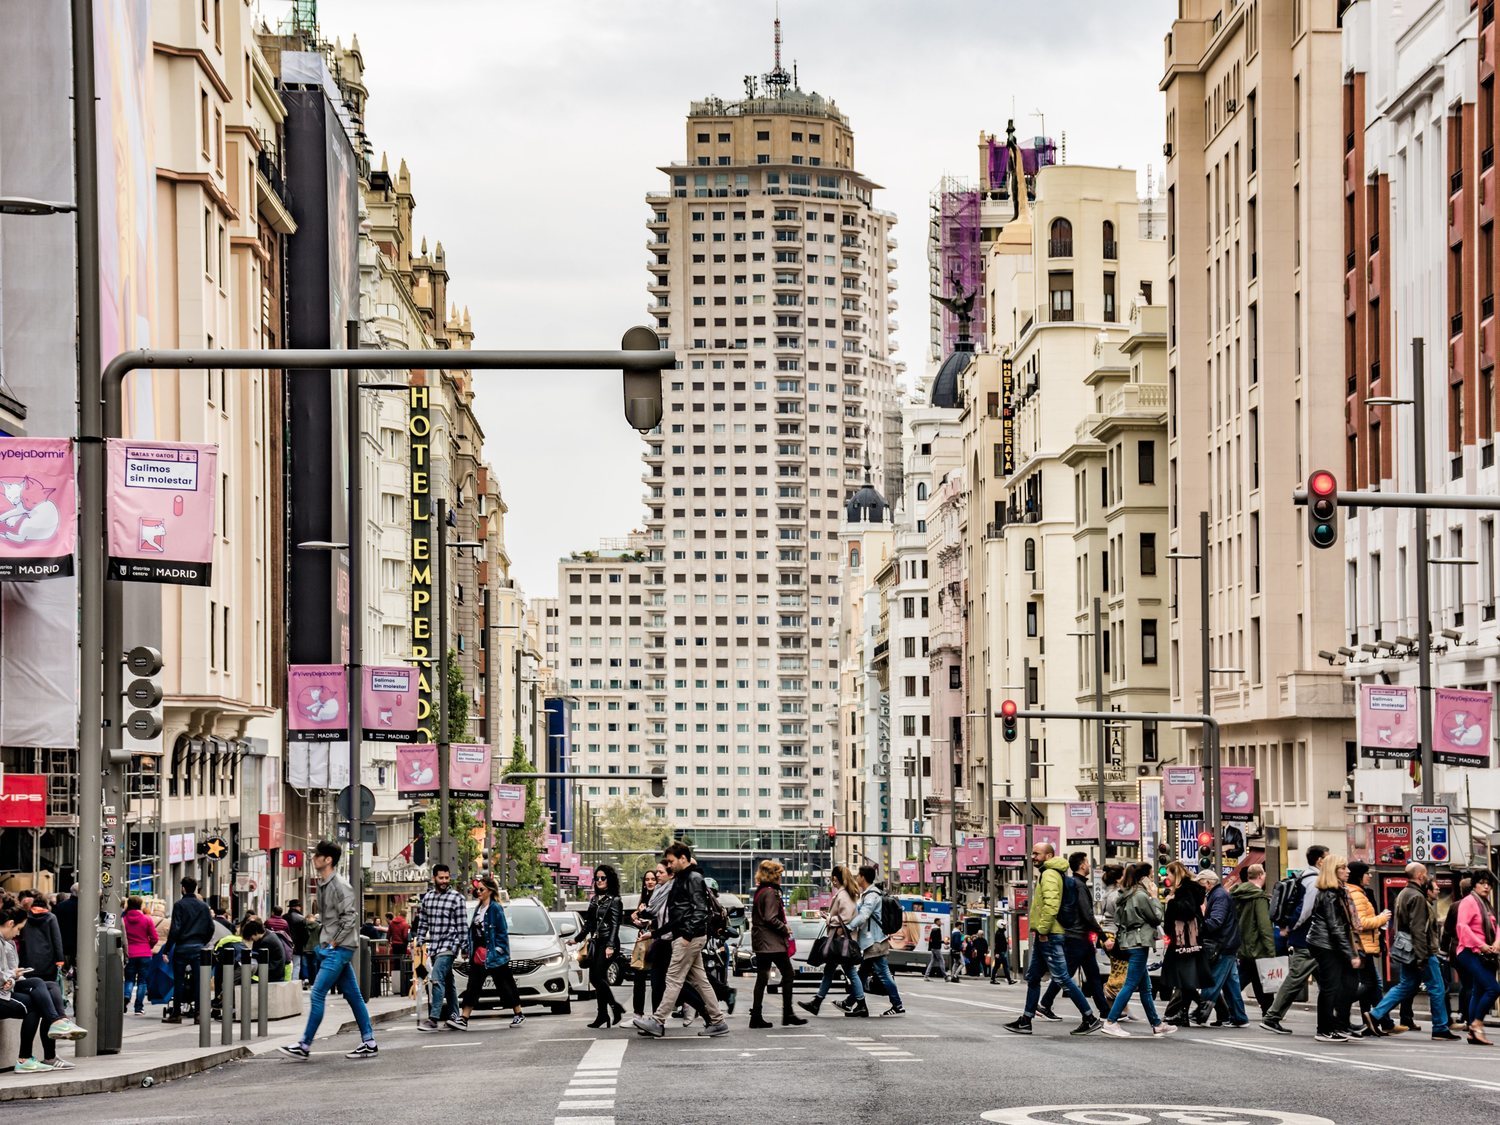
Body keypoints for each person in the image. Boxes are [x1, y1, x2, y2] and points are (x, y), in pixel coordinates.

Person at [277, 840, 378, 1061]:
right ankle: (369, 1041)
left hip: (338, 949)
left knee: (317, 993)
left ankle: (304, 1044)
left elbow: (350, 918)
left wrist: (333, 943)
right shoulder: (325, 883)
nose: (313, 859)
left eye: (317, 855)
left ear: (328, 859)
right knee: (353, 995)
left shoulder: (339, 885)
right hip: (335, 948)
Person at [1004, 843, 1102, 1036]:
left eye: (1037, 854)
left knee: (1062, 977)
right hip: (1047, 933)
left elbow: (1051, 904)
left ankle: (1089, 1018)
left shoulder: (1049, 874)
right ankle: (1026, 1019)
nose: (1033, 857)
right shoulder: (1052, 872)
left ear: (1048, 855)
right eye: (1032, 853)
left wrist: (1042, 929)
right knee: (1033, 977)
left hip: (1049, 934)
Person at [633, 842, 729, 1038]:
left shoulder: (693, 878)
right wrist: (656, 933)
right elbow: (677, 916)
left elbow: (700, 910)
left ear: (683, 858)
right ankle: (718, 1021)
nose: (669, 865)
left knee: (673, 979)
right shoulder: (683, 878)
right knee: (701, 981)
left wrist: (686, 935)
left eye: (671, 861)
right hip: (687, 935)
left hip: (688, 937)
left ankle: (658, 1021)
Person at [1368, 861, 1460, 1041]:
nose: (1427, 876)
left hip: (1407, 951)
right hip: (1421, 951)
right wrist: (1422, 957)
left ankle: (1374, 1015)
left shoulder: (1404, 893)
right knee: (1437, 987)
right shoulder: (1417, 897)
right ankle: (1440, 1028)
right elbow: (1418, 929)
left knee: (1406, 985)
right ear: (1420, 876)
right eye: (1425, 873)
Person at [0, 905, 80, 1072]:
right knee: (35, 1001)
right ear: (10, 923)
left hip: (9, 984)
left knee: (49, 986)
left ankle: (59, 1024)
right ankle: (27, 1056)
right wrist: (11, 976)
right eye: (19, 928)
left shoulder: (7, 942)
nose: (19, 933)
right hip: (4, 989)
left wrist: (13, 976)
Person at [1100, 863, 1174, 1038]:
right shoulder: (1140, 895)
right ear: (1144, 877)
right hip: (1139, 942)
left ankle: (1157, 1024)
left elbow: (1118, 918)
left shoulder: (1124, 893)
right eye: (1151, 874)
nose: (1153, 879)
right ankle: (1111, 1021)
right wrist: (1155, 897)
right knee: (1130, 984)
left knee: (1146, 987)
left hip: (1128, 941)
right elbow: (1156, 918)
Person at [1260, 846, 1328, 1034]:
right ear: (1320, 861)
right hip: (1306, 939)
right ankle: (1272, 1017)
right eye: (1327, 857)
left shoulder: (1303, 876)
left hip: (1308, 939)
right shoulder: (1313, 881)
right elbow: (1305, 911)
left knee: (1328, 982)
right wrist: (1290, 927)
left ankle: (1337, 1019)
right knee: (1295, 979)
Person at [1039, 853, 1110, 1020]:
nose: (1089, 865)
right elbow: (1087, 914)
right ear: (1082, 865)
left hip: (1079, 937)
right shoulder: (1078, 885)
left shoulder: (1074, 883)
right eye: (1086, 861)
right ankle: (1044, 1004)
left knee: (1092, 975)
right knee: (1067, 975)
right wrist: (1103, 936)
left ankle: (1105, 1011)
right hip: (1077, 937)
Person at [1305, 854, 1362, 1042]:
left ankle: (1339, 1024)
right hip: (1325, 944)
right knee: (1330, 987)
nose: (1348, 871)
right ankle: (1324, 1029)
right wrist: (1351, 953)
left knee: (1347, 984)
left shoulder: (1339, 890)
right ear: (1333, 871)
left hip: (1329, 943)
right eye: (1343, 868)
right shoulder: (1330, 893)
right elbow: (1335, 927)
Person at [799, 864, 867, 1018]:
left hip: (841, 942)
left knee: (850, 971)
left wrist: (829, 918)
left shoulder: (844, 895)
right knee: (830, 971)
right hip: (839, 941)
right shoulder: (845, 894)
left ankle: (861, 1004)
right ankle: (817, 1002)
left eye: (832, 879)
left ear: (835, 879)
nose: (832, 882)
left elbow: (847, 917)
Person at [458, 875, 525, 1030]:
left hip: (494, 954)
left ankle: (519, 1014)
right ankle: (464, 1018)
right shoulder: (478, 908)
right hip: (478, 953)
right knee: (473, 986)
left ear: (490, 890)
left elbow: (502, 931)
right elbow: (473, 933)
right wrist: (467, 950)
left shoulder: (495, 908)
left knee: (505, 984)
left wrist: (498, 950)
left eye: (482, 889)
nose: (478, 892)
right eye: (477, 889)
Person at [746, 859, 805, 1029]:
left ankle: (756, 1015)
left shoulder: (761, 891)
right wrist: (784, 928)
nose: (781, 878)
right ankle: (788, 1013)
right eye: (779, 874)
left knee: (762, 978)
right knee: (788, 974)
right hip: (771, 942)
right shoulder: (771, 892)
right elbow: (770, 917)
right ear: (773, 875)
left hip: (762, 941)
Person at [847, 864, 906, 1017]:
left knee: (884, 974)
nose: (856, 878)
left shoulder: (872, 896)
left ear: (863, 877)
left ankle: (897, 1005)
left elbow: (864, 915)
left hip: (875, 941)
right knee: (862, 974)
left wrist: (849, 926)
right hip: (871, 942)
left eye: (858, 875)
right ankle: (849, 1002)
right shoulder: (868, 894)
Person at [413, 863, 467, 1032]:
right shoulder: (427, 898)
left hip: (450, 945)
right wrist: (420, 940)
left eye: (446, 877)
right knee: (448, 981)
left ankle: (433, 1018)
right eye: (441, 878)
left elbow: (462, 925)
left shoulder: (457, 898)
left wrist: (465, 947)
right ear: (434, 878)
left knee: (436, 977)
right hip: (435, 947)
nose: (444, 881)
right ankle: (454, 1016)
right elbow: (423, 922)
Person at [1191, 869, 1247, 1028]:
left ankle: (1200, 1013)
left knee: (1214, 980)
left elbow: (1216, 921)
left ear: (1208, 883)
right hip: (1227, 943)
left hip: (1222, 944)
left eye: (1201, 884)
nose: (1201, 888)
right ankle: (1239, 1017)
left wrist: (1198, 926)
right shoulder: (1219, 894)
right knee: (1231, 985)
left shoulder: (1219, 896)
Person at [1452, 869, 1500, 1045]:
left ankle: (1472, 1034)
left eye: (1489, 884)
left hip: (1486, 953)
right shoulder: (1469, 902)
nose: (1486, 886)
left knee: (1479, 991)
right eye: (1482, 883)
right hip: (1469, 951)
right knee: (1493, 989)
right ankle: (1477, 1024)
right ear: (1474, 884)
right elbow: (1462, 927)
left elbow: (1496, 926)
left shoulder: (1486, 903)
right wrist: (1481, 945)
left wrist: (1497, 943)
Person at [1158, 861, 1207, 1025]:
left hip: (1183, 940)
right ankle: (1185, 1012)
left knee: (1183, 977)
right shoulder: (1190, 889)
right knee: (1185, 977)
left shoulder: (1184, 891)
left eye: (1169, 874)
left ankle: (1200, 1005)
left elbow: (1186, 910)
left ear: (1176, 874)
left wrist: (1171, 902)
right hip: (1190, 940)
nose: (1167, 878)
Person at [1345, 862, 1391, 1035]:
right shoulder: (1356, 894)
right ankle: (1340, 1004)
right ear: (1359, 875)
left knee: (1371, 984)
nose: (1370, 876)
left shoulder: (1359, 892)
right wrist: (1381, 918)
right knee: (1370, 983)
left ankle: (1376, 1020)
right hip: (1361, 945)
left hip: (1365, 945)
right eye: (1367, 873)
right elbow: (1361, 923)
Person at [580, 864, 626, 1029]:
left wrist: (611, 946)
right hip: (596, 943)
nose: (599, 881)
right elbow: (589, 923)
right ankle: (603, 1015)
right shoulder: (594, 900)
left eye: (603, 878)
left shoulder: (614, 900)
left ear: (609, 879)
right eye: (597, 878)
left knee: (597, 977)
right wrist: (577, 938)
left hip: (608, 942)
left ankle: (614, 1007)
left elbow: (615, 925)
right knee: (596, 978)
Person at [163, 876, 214, 1023]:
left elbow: (175, 928)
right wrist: (202, 941)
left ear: (183, 888)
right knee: (199, 982)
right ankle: (199, 1013)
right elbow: (210, 927)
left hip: (182, 947)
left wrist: (167, 949)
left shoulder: (179, 905)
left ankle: (176, 1013)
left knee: (178, 981)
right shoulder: (203, 906)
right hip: (198, 947)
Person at [1230, 864, 1275, 1018]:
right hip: (1257, 946)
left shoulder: (1236, 895)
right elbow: (1264, 925)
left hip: (1241, 944)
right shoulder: (1259, 897)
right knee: (1259, 979)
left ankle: (1268, 1010)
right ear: (1261, 875)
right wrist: (1271, 950)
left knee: (1255, 978)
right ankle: (1268, 1012)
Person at [630, 866, 663, 1018]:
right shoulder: (642, 899)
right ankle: (638, 1014)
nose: (650, 882)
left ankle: (657, 1015)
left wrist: (647, 922)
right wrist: (635, 918)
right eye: (647, 880)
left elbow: (660, 920)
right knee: (639, 977)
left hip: (656, 940)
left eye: (653, 879)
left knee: (657, 980)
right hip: (642, 941)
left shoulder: (660, 897)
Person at [122, 896, 159, 1015]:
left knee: (129, 979)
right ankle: (138, 1007)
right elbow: (154, 938)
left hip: (130, 953)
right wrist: (149, 946)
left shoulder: (124, 920)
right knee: (142, 981)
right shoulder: (147, 919)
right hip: (144, 953)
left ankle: (126, 996)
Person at [241, 918, 289, 983]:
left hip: (273, 975)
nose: (251, 940)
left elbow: (259, 960)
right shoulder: (267, 935)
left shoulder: (266, 941)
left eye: (251, 938)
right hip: (275, 972)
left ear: (255, 933)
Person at [285, 899, 313, 985]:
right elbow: (306, 935)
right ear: (297, 907)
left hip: (286, 945)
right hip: (297, 945)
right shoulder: (301, 918)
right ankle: (294, 983)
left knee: (287, 964)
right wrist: (303, 944)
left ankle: (286, 982)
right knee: (297, 965)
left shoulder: (284, 917)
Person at [989, 916, 1014, 985]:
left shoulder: (1000, 932)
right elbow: (998, 944)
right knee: (1005, 966)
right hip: (1000, 953)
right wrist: (997, 953)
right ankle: (1009, 980)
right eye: (1004, 925)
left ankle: (993, 979)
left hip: (1000, 952)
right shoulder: (999, 933)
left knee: (997, 966)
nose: (1005, 926)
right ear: (1001, 925)